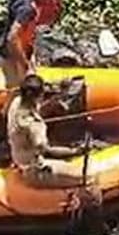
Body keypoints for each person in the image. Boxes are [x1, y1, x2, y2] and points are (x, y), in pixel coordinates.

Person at [6, 74, 100, 204]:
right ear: (38, 95)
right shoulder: (34, 125)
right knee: (90, 177)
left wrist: (57, 91)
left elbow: (37, 107)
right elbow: (47, 150)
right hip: (34, 171)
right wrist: (77, 151)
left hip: (19, 158)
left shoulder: (16, 103)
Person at [0, 0, 63, 90]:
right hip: (14, 59)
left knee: (32, 88)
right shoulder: (27, 8)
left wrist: (30, 55)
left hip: (24, 52)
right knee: (18, 94)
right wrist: (24, 64)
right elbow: (12, 37)